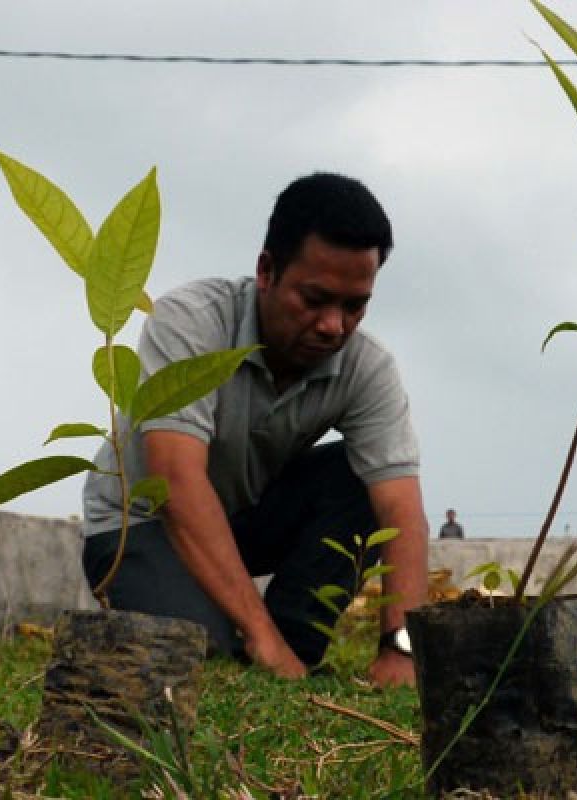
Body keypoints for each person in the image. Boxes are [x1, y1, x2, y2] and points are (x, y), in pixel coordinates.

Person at [80, 172, 428, 688]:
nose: (334, 325)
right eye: (314, 299)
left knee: (360, 479)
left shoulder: (366, 367)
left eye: (354, 306)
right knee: (205, 654)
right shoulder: (191, 324)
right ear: (266, 271)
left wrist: (402, 647)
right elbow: (175, 484)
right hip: (139, 526)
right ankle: (257, 640)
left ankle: (294, 649)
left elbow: (401, 509)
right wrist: (256, 630)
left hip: (241, 521)